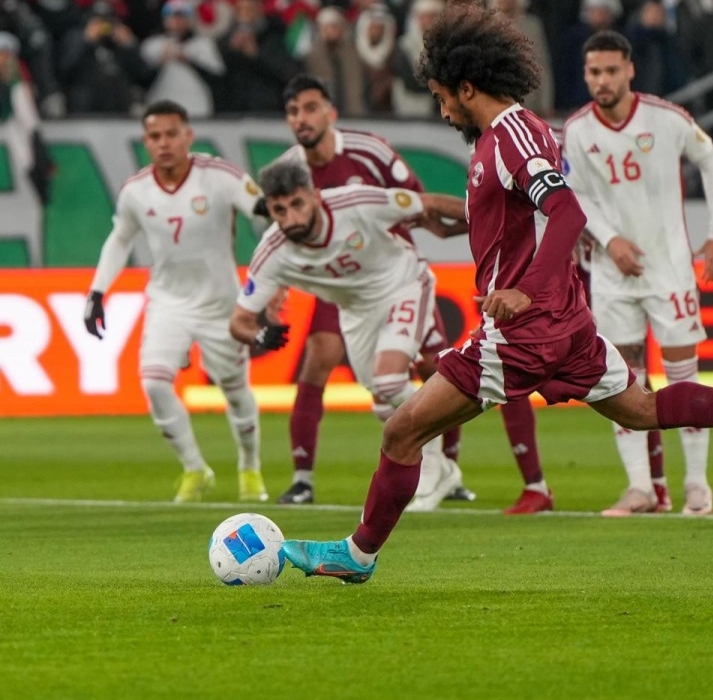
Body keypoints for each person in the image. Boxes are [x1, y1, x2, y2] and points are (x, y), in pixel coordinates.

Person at [278, 3, 713, 584]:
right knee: (646, 409)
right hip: (569, 324)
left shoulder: (509, 138)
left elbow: (566, 211)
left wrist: (525, 292)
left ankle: (356, 556)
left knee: (401, 431)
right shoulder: (523, 130)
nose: (442, 107)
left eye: (441, 96)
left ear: (467, 85)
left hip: (526, 330)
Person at [274, 74, 548, 514]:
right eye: (292, 112)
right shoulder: (289, 172)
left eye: (309, 108)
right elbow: (277, 234)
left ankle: (449, 471)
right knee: (319, 360)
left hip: (394, 277)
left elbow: (418, 205)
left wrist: (475, 220)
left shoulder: (369, 150)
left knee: (440, 366)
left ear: (330, 112)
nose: (301, 119)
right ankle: (303, 478)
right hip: (340, 284)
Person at [562, 30, 713, 517]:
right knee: (620, 381)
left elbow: (711, 160)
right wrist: (610, 239)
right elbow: (574, 197)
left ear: (630, 70)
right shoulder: (576, 131)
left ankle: (697, 484)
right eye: (594, 72)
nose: (603, 80)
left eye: (612, 70)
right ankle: (641, 488)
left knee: (683, 375)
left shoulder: (666, 118)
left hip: (670, 268)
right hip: (612, 274)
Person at [231, 161, 464, 509]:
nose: (291, 218)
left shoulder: (355, 202)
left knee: (389, 382)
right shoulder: (273, 251)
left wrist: (497, 212)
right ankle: (439, 465)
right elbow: (239, 320)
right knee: (382, 401)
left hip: (403, 284)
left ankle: (435, 465)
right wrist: (259, 337)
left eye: (297, 204)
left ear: (314, 195)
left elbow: (427, 203)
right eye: (280, 210)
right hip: (355, 312)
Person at [83, 100, 268, 504]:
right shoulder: (136, 191)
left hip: (222, 305)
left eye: (171, 134)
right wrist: (98, 291)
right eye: (154, 136)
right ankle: (194, 468)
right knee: (153, 382)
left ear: (188, 135)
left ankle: (249, 468)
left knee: (236, 393)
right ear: (146, 141)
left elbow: (262, 211)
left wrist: (268, 284)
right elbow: (119, 240)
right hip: (168, 303)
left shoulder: (219, 176)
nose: (163, 143)